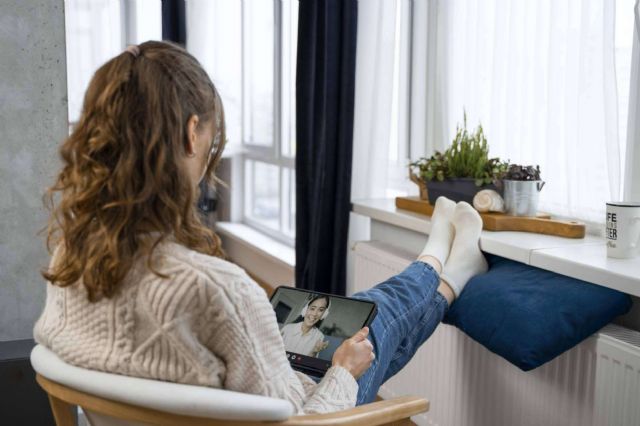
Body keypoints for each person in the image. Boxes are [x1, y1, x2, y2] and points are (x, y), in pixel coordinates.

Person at [34, 41, 488, 415]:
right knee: (375, 326)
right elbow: (304, 423)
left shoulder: (68, 262)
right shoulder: (218, 290)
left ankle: (446, 273)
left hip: (246, 389)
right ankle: (443, 270)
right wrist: (345, 372)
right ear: (192, 133)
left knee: (361, 312)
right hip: (302, 408)